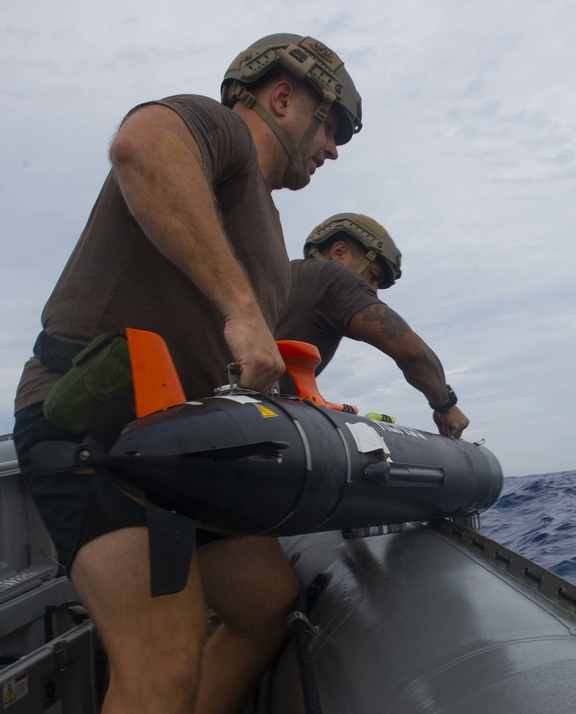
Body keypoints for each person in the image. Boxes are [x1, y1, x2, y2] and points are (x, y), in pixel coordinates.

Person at [11, 34, 362, 714]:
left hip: (188, 452)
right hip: (98, 430)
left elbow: (240, 350)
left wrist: (306, 400)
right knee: (163, 658)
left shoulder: (268, 222)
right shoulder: (217, 128)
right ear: (284, 97)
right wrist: (240, 310)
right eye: (334, 125)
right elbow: (141, 145)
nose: (336, 147)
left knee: (266, 606)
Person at [275, 213, 470, 438]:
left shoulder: (278, 277)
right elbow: (413, 353)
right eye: (373, 276)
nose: (373, 292)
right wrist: (446, 406)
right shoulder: (332, 276)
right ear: (339, 252)